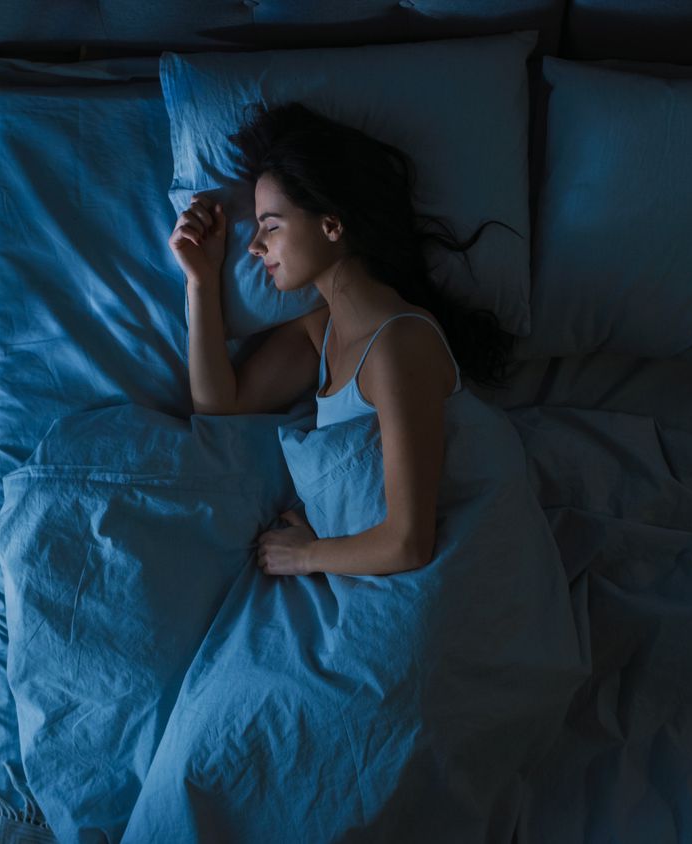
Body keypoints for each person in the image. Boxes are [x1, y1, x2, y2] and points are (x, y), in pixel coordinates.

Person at [166, 102, 518, 580]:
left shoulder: (398, 345)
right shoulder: (321, 328)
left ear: (331, 225)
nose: (254, 246)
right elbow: (218, 404)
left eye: (271, 226)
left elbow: (409, 542)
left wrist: (305, 555)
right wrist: (201, 281)